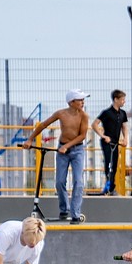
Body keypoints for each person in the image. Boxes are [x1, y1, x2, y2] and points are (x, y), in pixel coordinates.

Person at [23, 89, 92, 223]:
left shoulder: (84, 116)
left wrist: (67, 146)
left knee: (78, 182)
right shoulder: (61, 114)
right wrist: (30, 139)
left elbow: (82, 136)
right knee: (60, 182)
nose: (82, 103)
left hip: (77, 150)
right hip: (62, 150)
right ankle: (64, 210)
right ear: (71, 102)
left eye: (83, 100)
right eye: (80, 100)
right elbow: (43, 125)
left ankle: (76, 214)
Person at [91, 89, 128, 195]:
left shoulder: (122, 114)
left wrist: (125, 138)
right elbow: (94, 125)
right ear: (116, 99)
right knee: (109, 164)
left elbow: (124, 127)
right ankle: (108, 187)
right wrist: (103, 136)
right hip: (107, 143)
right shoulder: (107, 113)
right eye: (122, 99)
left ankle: (111, 187)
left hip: (116, 143)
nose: (124, 102)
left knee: (115, 165)